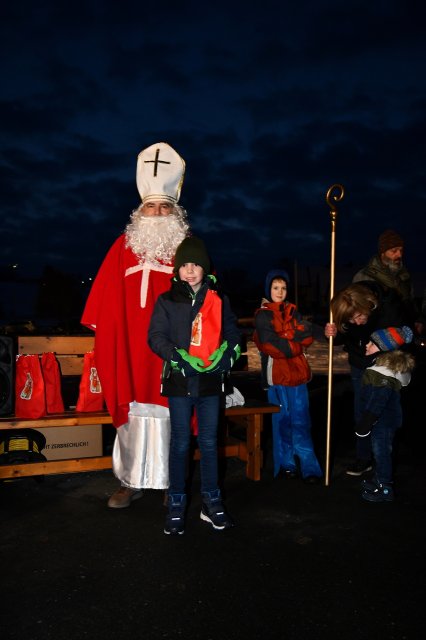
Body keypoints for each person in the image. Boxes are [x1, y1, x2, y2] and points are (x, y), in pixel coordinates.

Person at [81, 142, 190, 508]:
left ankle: (171, 482)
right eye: (151, 206)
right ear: (139, 211)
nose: (157, 213)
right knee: (132, 408)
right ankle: (130, 481)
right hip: (129, 344)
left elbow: (205, 298)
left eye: (164, 207)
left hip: (170, 346)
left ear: (175, 212)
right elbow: (103, 299)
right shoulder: (122, 246)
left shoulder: (186, 248)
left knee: (170, 408)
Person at [148, 236, 241, 535]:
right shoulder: (166, 300)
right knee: (181, 442)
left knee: (211, 442)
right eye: (184, 265)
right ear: (177, 269)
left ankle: (211, 501)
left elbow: (233, 334)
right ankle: (177, 502)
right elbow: (156, 336)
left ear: (205, 268)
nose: (190, 270)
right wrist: (178, 357)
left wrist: (225, 355)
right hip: (179, 382)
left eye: (196, 265)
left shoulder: (219, 298)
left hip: (211, 383)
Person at [324, 281, 408, 476]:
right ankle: (364, 459)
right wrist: (334, 334)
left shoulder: (388, 305)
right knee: (361, 415)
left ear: (368, 303)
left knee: (381, 417)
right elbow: (344, 334)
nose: (357, 322)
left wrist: (383, 345)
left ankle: (383, 467)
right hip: (359, 365)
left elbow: (404, 333)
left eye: (360, 317)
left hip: (383, 368)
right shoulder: (350, 310)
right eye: (351, 320)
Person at [253, 269, 322, 484]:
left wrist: (286, 336)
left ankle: (309, 466)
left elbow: (307, 335)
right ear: (268, 290)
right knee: (282, 421)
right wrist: (294, 342)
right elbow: (269, 344)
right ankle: (286, 464)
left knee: (301, 421)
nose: (280, 292)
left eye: (283, 288)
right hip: (277, 378)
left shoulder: (294, 312)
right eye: (275, 288)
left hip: (298, 375)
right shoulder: (262, 314)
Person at [355, 326, 415, 503]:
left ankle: (385, 487)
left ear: (383, 349)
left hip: (382, 421)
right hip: (384, 421)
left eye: (372, 344)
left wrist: (366, 422)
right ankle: (379, 479)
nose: (367, 345)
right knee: (379, 451)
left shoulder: (382, 374)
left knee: (381, 452)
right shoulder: (381, 367)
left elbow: (378, 401)